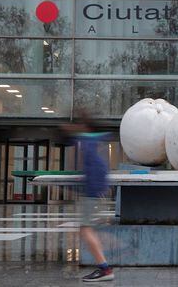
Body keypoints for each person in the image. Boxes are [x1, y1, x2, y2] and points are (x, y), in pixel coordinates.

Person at [61, 117, 114, 282]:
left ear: (83, 125)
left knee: (85, 229)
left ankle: (105, 269)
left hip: (91, 193)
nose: (70, 127)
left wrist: (91, 188)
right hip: (94, 191)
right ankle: (104, 267)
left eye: (74, 124)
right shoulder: (93, 141)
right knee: (87, 228)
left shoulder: (87, 142)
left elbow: (96, 167)